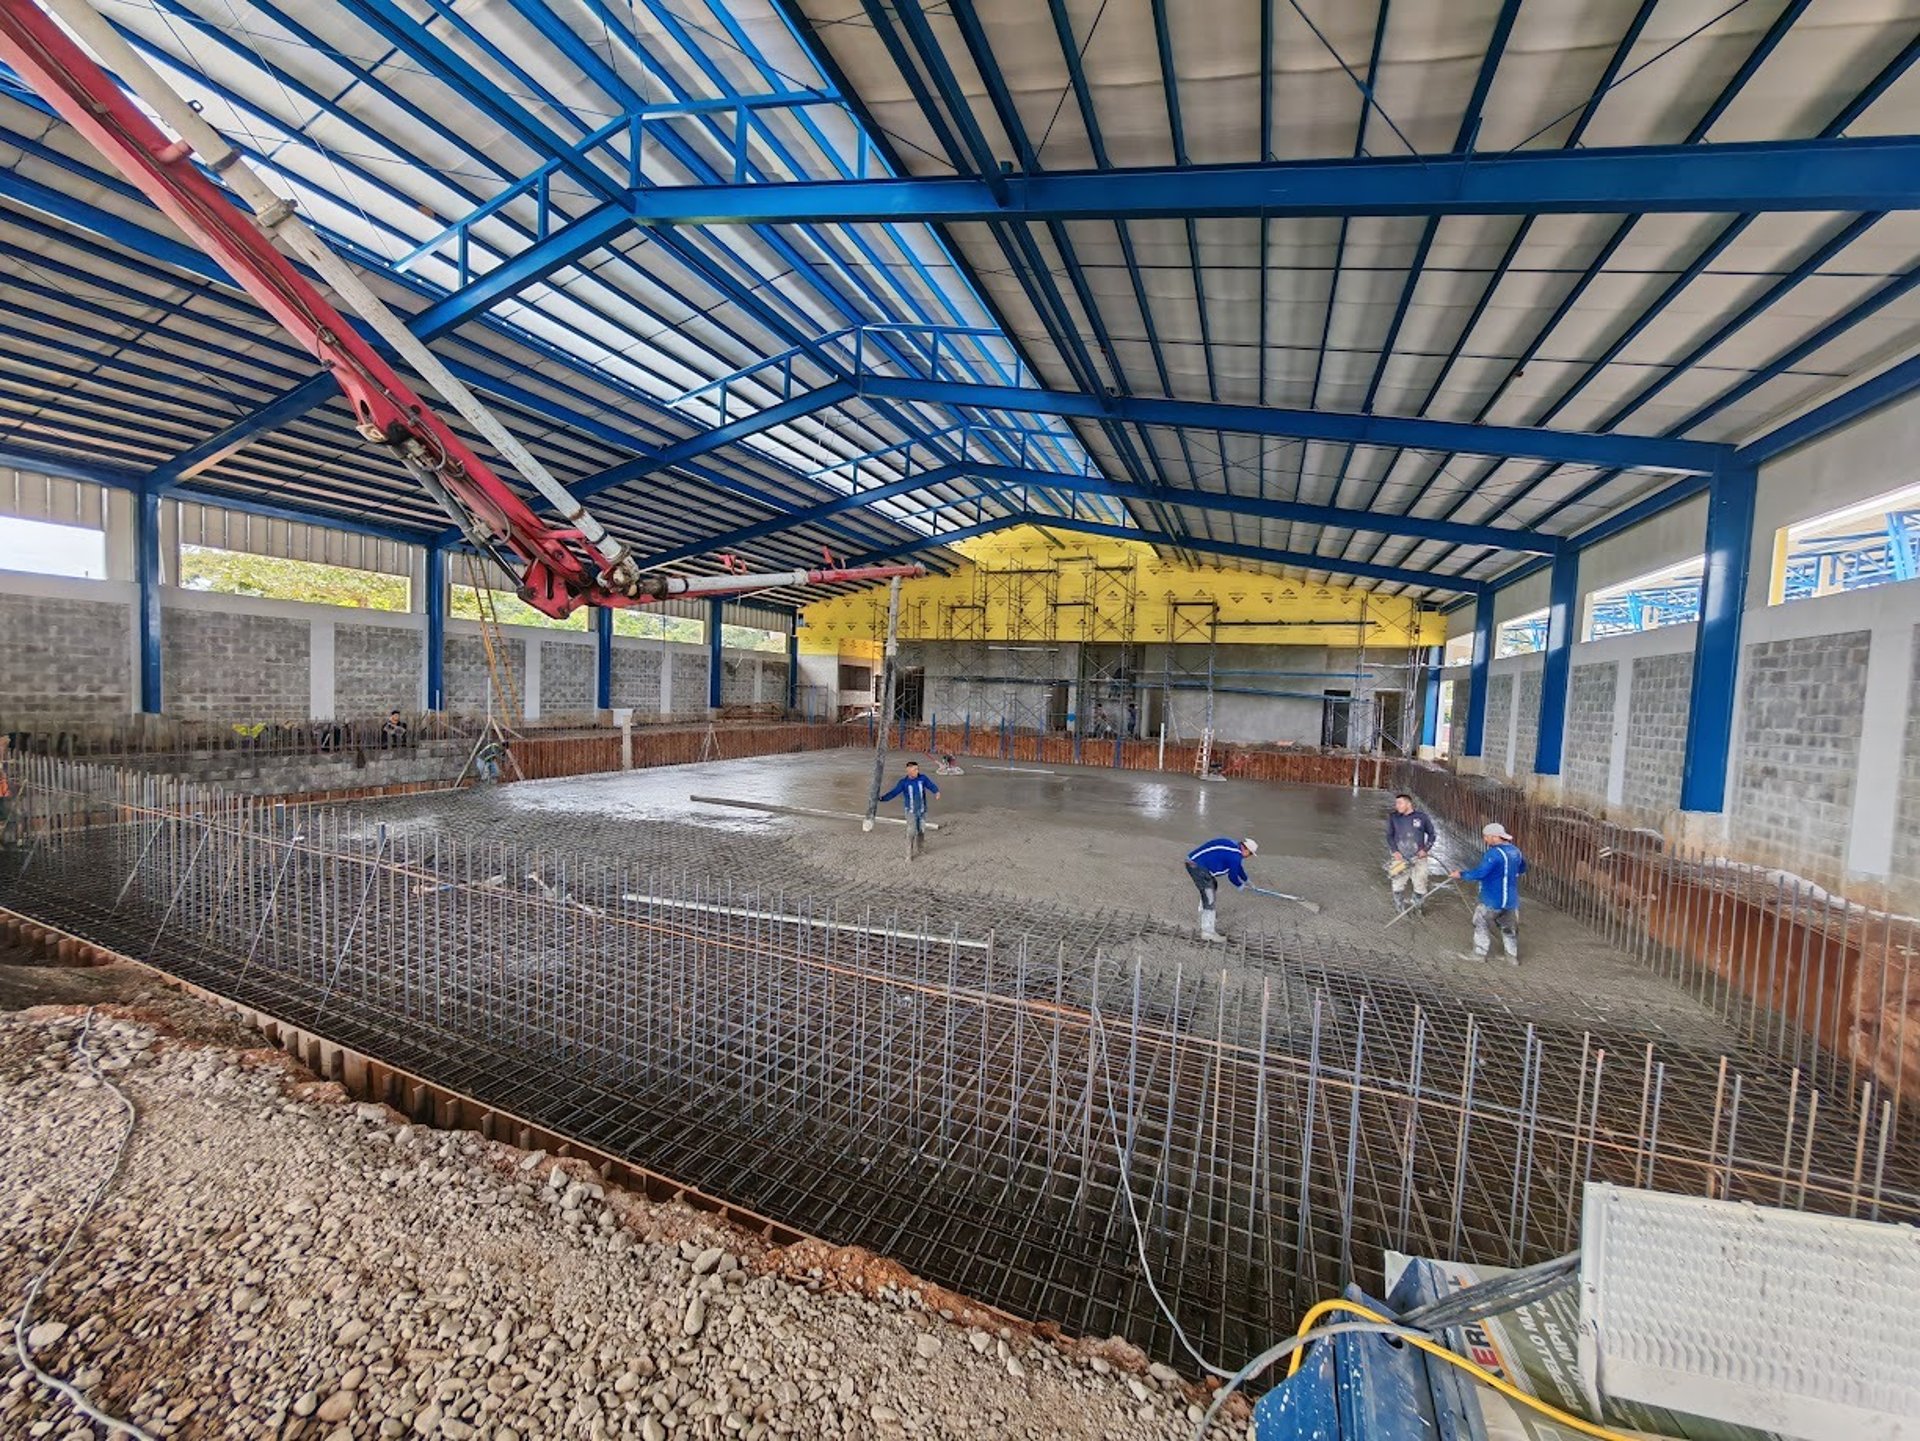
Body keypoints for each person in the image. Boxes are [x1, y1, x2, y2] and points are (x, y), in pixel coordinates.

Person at [1451, 822, 1527, 964]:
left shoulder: (1493, 854)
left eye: (1486, 837)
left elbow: (1481, 873)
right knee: (1509, 928)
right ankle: (1512, 958)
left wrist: (1461, 874)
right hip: (1511, 901)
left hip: (1493, 899)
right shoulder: (1516, 851)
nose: (1485, 840)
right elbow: (1522, 869)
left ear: (1495, 837)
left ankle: (1479, 954)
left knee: (1480, 921)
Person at [1184, 836, 1257, 944]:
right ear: (1246, 850)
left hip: (1193, 861)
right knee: (1210, 896)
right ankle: (1208, 932)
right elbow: (1232, 877)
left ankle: (1202, 911)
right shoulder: (1235, 856)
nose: (1248, 857)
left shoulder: (1234, 847)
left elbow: (1237, 868)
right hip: (1196, 865)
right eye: (1250, 854)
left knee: (1212, 885)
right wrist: (1239, 885)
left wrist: (1247, 880)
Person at [1385, 792, 1438, 914]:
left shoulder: (1422, 817)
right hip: (1399, 857)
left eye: (1400, 803)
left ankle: (1417, 905)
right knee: (1397, 881)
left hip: (1418, 857)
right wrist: (1395, 851)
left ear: (1408, 803)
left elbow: (1432, 834)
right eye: (1396, 803)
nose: (1396, 806)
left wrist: (1425, 850)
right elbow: (1389, 836)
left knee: (1421, 880)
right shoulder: (1394, 817)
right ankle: (1399, 904)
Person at [878, 759, 940, 858]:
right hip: (911, 812)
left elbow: (931, 785)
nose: (917, 771)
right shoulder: (903, 783)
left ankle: (921, 849)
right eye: (915, 769)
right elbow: (893, 793)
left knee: (921, 831)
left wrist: (936, 792)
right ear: (908, 770)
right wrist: (882, 798)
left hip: (922, 811)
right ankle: (909, 854)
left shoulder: (922, 778)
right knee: (911, 832)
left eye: (917, 769)